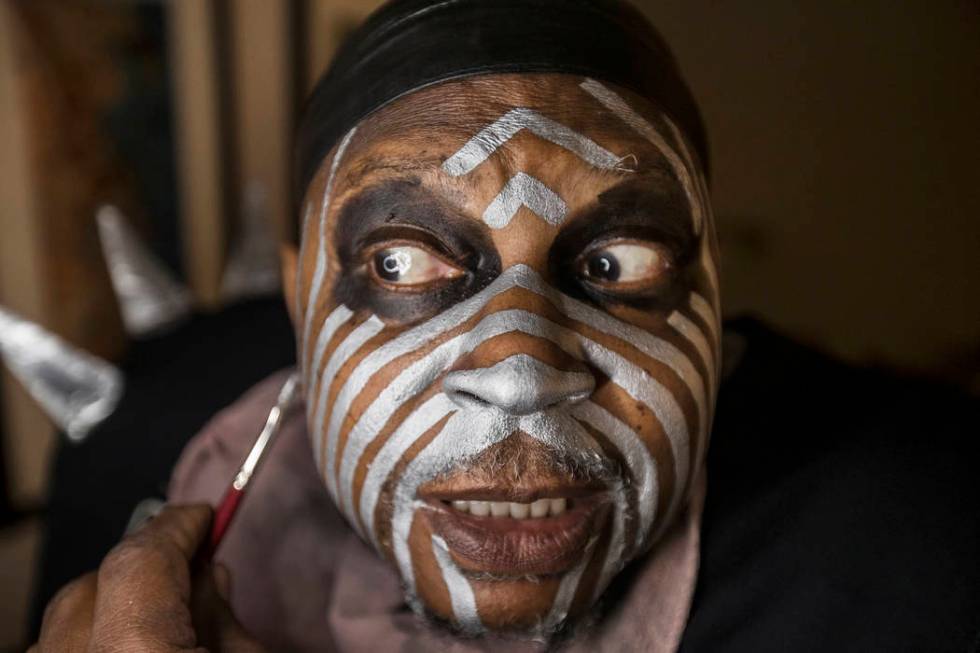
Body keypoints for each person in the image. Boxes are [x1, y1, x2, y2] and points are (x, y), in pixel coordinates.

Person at [31, 1, 980, 651]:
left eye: (616, 264)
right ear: (298, 292)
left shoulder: (923, 550)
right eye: (399, 263)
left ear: (712, 282)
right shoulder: (130, 472)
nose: (521, 376)